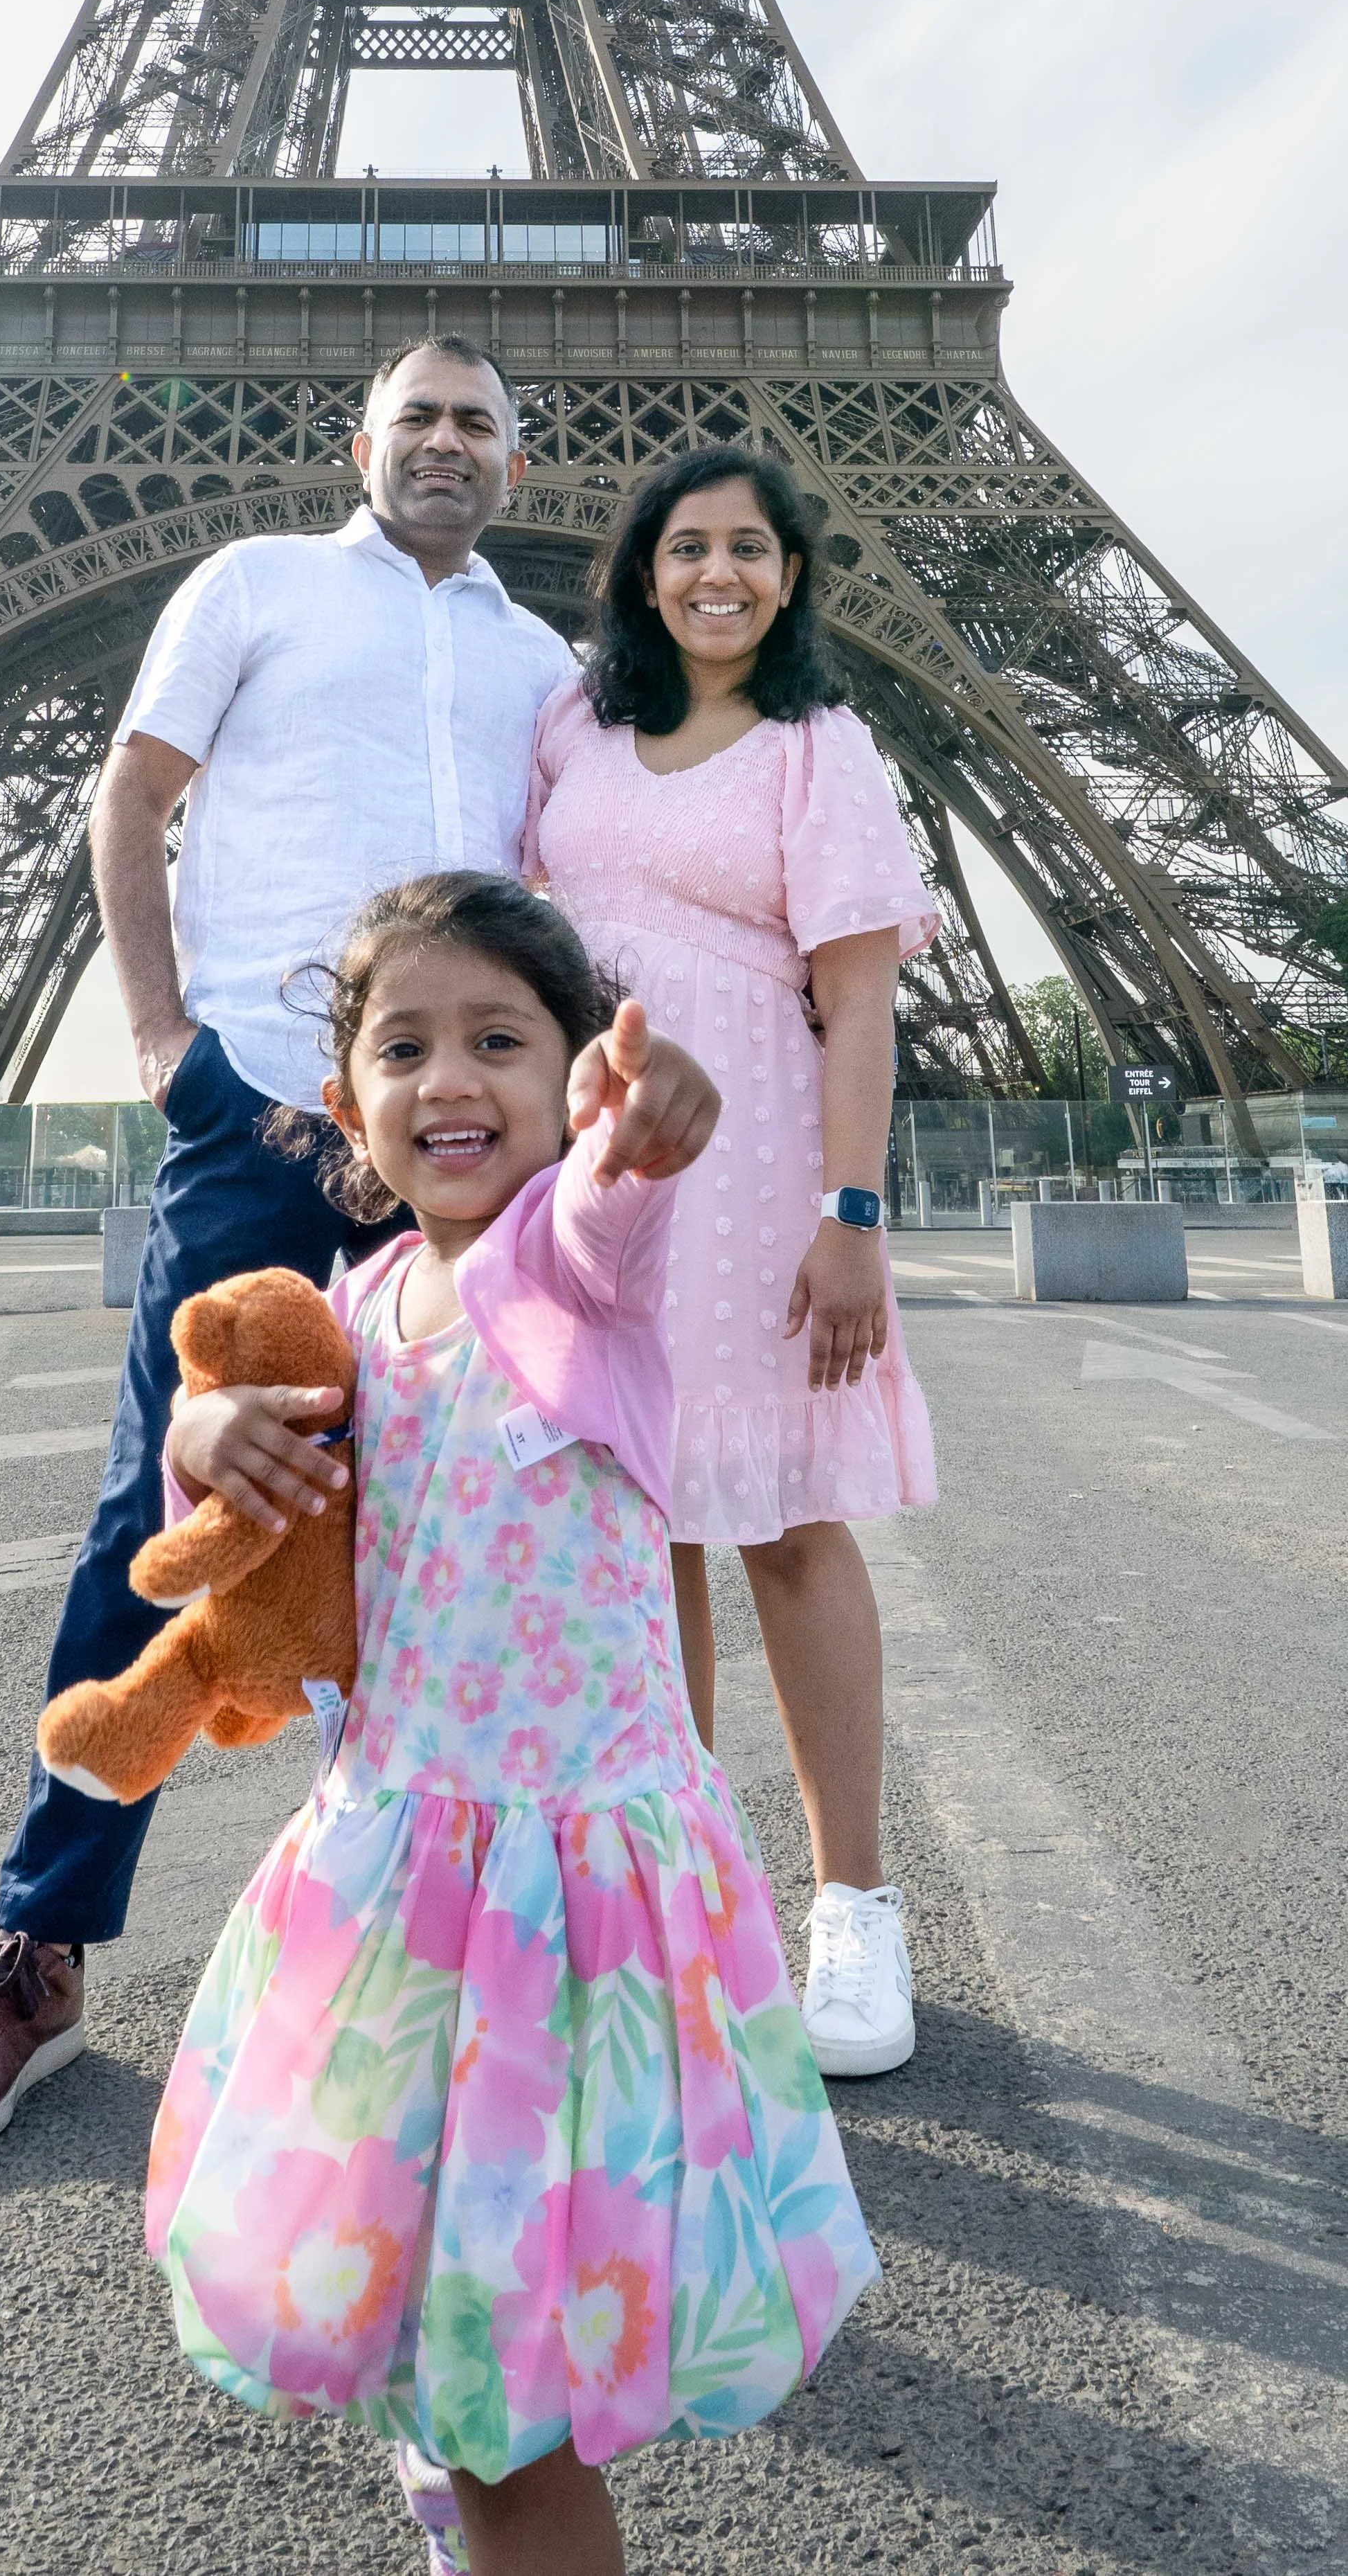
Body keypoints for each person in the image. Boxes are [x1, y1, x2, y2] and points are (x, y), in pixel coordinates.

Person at [0, 334, 686, 2163]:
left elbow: (580, 887)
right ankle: (39, 1939)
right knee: (159, 1510)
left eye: (478, 422)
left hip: (464, 1130)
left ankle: (532, 1940)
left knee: (499, 1508)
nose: (447, 445)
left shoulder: (536, 664)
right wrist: (166, 1046)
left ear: (517, 464)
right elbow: (131, 796)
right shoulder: (246, 582)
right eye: (420, 418)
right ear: (359, 439)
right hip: (261, 1105)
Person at [145, 873, 879, 2576]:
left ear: (569, 1081)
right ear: (345, 1106)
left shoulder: (573, 1268)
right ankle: (455, 2455)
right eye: (404, 1046)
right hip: (401, 1875)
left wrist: (650, 1127)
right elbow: (244, 1491)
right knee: (425, 2254)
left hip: (561, 1911)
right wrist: (204, 1429)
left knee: (508, 2392)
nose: (451, 1077)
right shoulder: (355, 1297)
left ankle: (484, 2489)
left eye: (500, 1038)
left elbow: (616, 1204)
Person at [522, 445, 940, 2083]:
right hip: (594, 1166)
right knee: (639, 1528)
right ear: (638, 570)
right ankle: (681, 1895)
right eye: (686, 546)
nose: (717, 572)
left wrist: (853, 1219)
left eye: (747, 549)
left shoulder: (815, 747)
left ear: (784, 576)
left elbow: (859, 999)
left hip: (758, 1171)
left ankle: (850, 1903)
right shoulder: (570, 724)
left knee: (784, 1527)